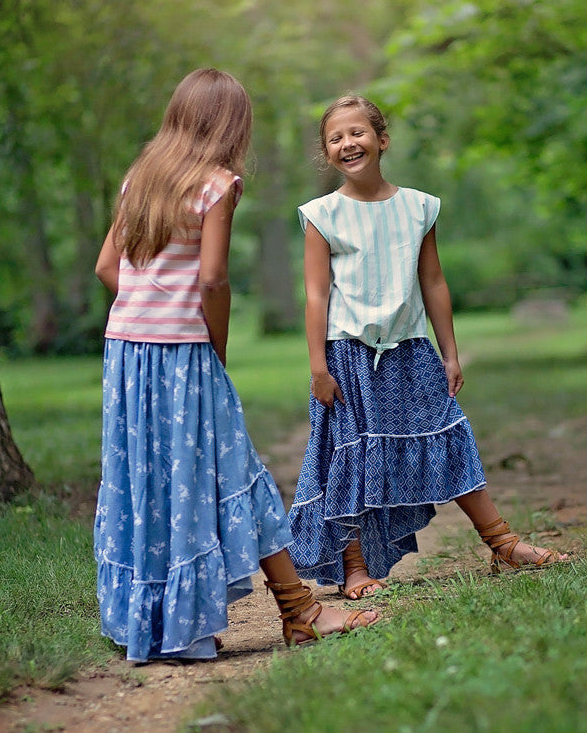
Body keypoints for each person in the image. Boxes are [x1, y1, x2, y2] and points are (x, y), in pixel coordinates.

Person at [93, 69, 377, 663]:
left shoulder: (139, 178)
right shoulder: (218, 183)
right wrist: (211, 346)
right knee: (233, 469)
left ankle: (157, 620)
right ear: (231, 124)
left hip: (125, 353)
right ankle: (300, 613)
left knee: (148, 482)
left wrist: (145, 306)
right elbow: (214, 278)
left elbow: (106, 269)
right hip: (183, 353)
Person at [287, 94, 567, 599]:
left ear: (382, 140)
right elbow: (316, 293)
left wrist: (451, 352)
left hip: (412, 351)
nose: (348, 143)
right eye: (335, 138)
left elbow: (433, 282)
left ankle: (503, 543)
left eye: (358, 133)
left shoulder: (419, 207)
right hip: (347, 356)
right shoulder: (321, 215)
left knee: (449, 438)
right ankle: (355, 567)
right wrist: (317, 366)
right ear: (325, 152)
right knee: (352, 456)